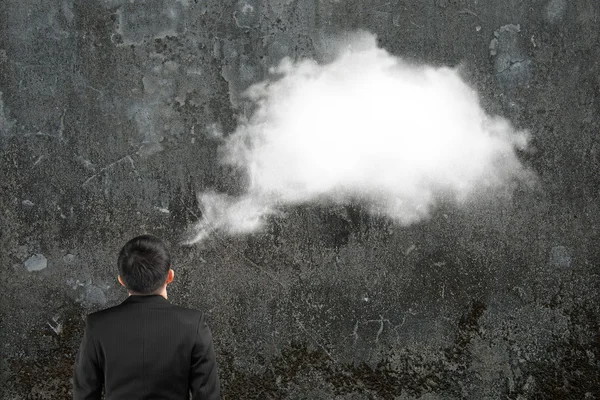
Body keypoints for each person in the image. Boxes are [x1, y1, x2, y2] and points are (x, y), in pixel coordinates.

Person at [73, 235, 220, 400]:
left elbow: (84, 394)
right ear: (170, 276)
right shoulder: (193, 324)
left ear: (121, 280)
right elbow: (207, 395)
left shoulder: (97, 325)